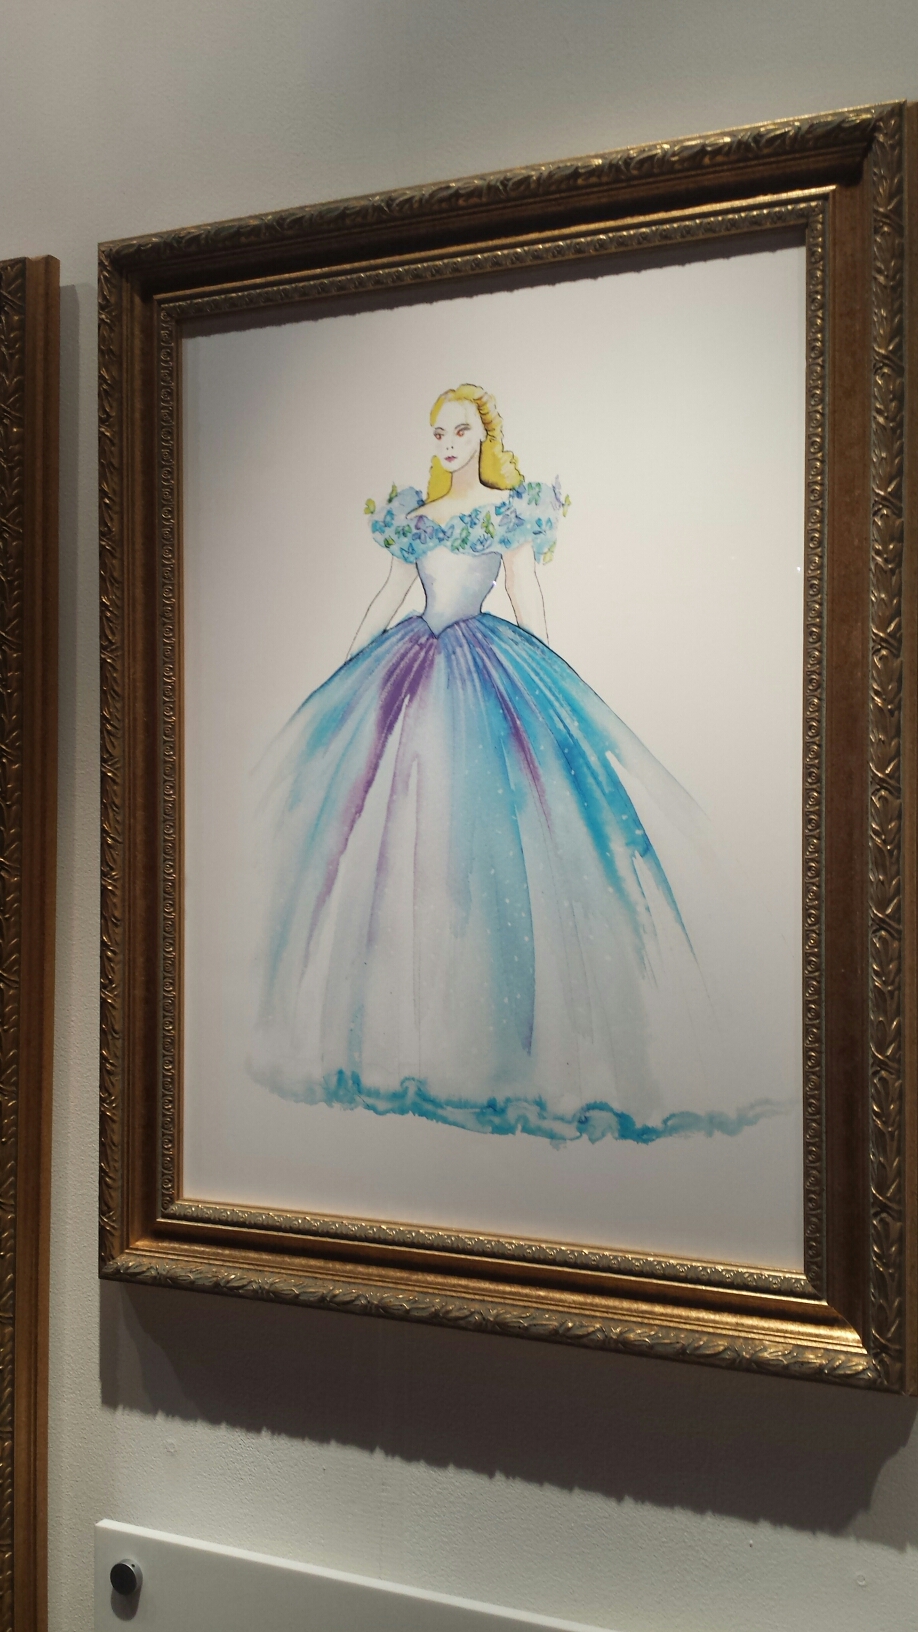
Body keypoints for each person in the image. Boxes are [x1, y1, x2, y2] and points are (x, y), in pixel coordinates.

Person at [250, 384, 790, 1143]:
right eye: (438, 433)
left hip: (482, 665)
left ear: (483, 435)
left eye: (459, 431)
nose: (447, 444)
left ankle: (487, 1053)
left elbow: (524, 589)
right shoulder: (415, 516)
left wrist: (550, 674)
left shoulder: (510, 511)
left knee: (479, 845)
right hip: (411, 663)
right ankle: (405, 1048)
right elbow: (391, 591)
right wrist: (345, 669)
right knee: (405, 844)